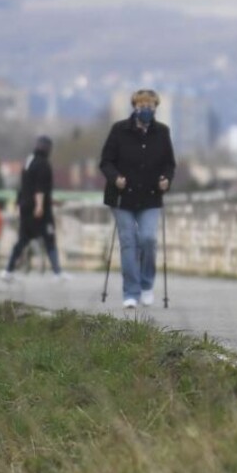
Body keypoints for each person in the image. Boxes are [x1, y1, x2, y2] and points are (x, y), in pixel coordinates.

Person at [99, 89, 176, 310]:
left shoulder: (162, 132)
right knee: (129, 243)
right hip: (122, 197)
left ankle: (146, 284)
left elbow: (169, 164)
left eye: (150, 106)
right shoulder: (119, 130)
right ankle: (130, 292)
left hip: (150, 196)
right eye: (142, 106)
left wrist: (166, 180)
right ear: (134, 107)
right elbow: (105, 162)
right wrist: (116, 178)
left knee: (149, 239)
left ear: (155, 108)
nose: (146, 110)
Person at [1, 136, 68, 281]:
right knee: (49, 238)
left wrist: (20, 204)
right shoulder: (43, 164)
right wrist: (40, 206)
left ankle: (8, 271)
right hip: (39, 211)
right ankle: (57, 273)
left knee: (22, 240)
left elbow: (25, 187)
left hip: (25, 207)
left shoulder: (28, 162)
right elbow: (39, 189)